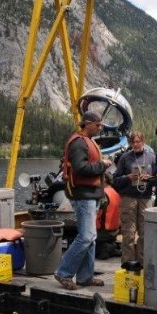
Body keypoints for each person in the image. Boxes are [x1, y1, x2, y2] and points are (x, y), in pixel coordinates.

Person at [54, 111, 113, 291]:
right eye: (98, 124)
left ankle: (85, 277)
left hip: (91, 194)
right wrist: (103, 165)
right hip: (83, 195)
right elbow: (81, 168)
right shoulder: (79, 143)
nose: (100, 127)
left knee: (91, 238)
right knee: (86, 236)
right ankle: (63, 272)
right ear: (87, 124)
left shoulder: (86, 141)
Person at [112, 130, 155, 264]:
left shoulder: (152, 157)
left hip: (145, 197)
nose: (136, 144)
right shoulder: (125, 158)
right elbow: (115, 179)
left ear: (143, 141)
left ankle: (143, 263)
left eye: (138, 141)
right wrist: (128, 177)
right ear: (130, 143)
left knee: (144, 232)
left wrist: (149, 178)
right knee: (128, 232)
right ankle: (127, 263)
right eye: (133, 142)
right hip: (128, 198)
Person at [95, 172, 121, 260]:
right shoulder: (115, 193)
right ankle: (111, 247)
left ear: (104, 180)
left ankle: (107, 248)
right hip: (114, 231)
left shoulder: (102, 194)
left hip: (103, 231)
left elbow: (94, 210)